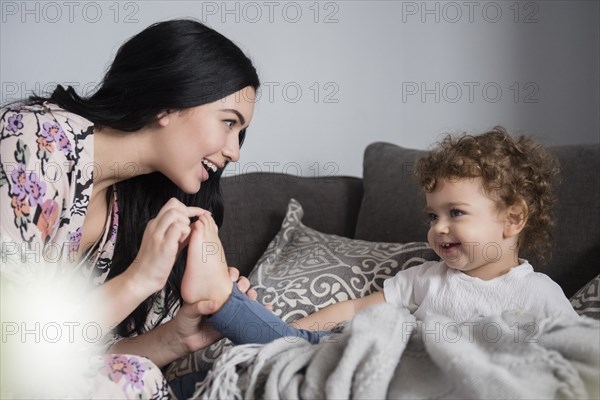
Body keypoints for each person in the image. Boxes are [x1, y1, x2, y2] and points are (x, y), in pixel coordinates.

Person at [0, 19, 260, 398]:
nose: (234, 152)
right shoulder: (35, 141)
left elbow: (84, 365)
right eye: (228, 123)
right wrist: (138, 280)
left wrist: (177, 338)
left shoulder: (134, 212)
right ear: (171, 103)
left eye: (240, 134)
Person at [182, 127, 579, 348]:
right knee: (290, 348)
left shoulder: (539, 294)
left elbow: (575, 354)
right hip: (397, 372)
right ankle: (223, 299)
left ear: (512, 220)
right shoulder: (427, 278)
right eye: (433, 215)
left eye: (455, 213)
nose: (439, 227)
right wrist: (301, 332)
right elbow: (355, 311)